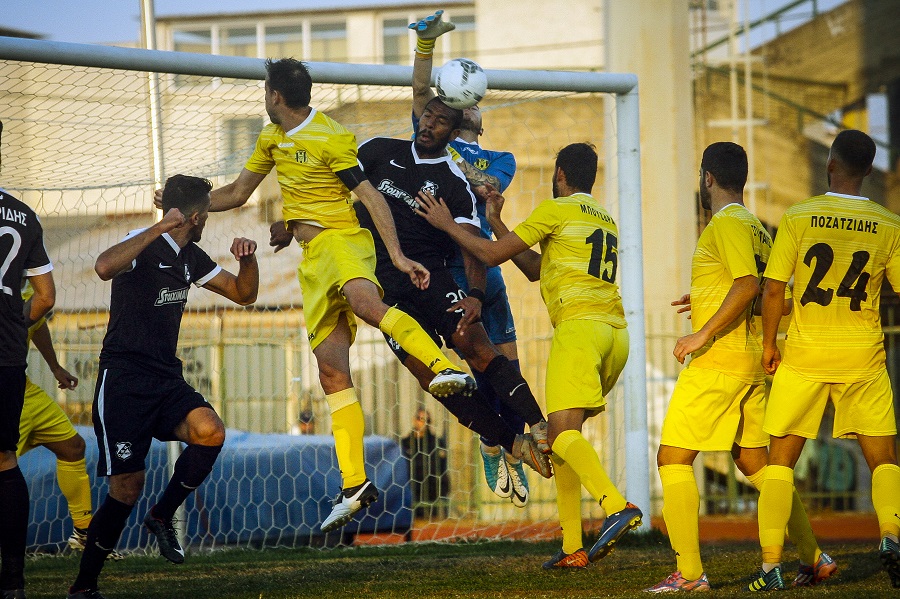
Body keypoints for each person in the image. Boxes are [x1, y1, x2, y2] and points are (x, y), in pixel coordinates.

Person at [172, 58, 476, 534]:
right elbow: (235, 193)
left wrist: (394, 255)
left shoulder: (332, 135)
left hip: (343, 241)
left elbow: (372, 198)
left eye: (265, 92)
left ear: (274, 95)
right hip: (312, 260)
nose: (264, 99)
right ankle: (354, 483)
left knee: (368, 305)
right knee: (331, 370)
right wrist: (184, 205)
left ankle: (445, 367)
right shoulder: (271, 139)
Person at [416, 142, 643, 570]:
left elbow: (486, 255)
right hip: (615, 333)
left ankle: (616, 505)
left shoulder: (556, 210)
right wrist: (496, 220)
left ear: (559, 174)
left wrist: (448, 224)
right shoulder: (603, 218)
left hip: (578, 332)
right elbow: (536, 268)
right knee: (563, 438)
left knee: (558, 436)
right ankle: (573, 545)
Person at [645, 142, 832, 593]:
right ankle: (813, 556)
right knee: (753, 460)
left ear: (707, 176)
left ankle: (689, 574)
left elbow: (748, 284)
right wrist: (709, 297)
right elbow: (763, 292)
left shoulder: (726, 221)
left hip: (719, 361)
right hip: (749, 361)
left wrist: (702, 332)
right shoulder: (757, 229)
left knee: (671, 457)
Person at [66, 175, 259, 599]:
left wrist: (248, 259)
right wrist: (157, 226)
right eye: (207, 211)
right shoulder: (144, 244)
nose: (210, 217)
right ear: (194, 216)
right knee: (126, 489)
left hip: (165, 378)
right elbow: (102, 267)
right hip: (124, 382)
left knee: (211, 431)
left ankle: (162, 514)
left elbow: (243, 294)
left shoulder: (191, 256)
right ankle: (84, 585)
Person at [348, 96, 552, 481]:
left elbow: (471, 246)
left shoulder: (454, 182)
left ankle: (538, 425)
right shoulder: (376, 150)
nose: (429, 125)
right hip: (384, 291)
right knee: (432, 379)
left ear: (453, 133)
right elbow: (334, 187)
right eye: (427, 116)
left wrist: (474, 295)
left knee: (476, 347)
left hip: (432, 279)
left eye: (441, 122)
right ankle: (512, 444)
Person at [750, 129, 900, 591]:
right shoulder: (888, 223)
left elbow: (775, 288)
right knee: (884, 459)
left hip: (807, 353)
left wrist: (770, 343)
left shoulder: (799, 215)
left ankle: (771, 565)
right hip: (863, 354)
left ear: (829, 164)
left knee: (780, 461)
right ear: (870, 171)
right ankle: (892, 536)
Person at [409, 10, 528, 508]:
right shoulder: (434, 145)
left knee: (511, 367)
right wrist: (425, 48)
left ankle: (516, 452)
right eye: (466, 104)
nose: (474, 108)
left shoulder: (501, 159)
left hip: (491, 269)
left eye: (475, 103)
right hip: (457, 271)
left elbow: (489, 186)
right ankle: (489, 441)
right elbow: (419, 96)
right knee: (482, 367)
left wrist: (481, 182)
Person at [18, 284, 123, 561]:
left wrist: (54, 366)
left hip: (24, 390)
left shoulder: (27, 285)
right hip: (6, 395)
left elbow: (36, 323)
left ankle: (85, 532)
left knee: (72, 447)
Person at [0, 118, 56, 599]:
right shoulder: (22, 214)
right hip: (6, 354)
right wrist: (13, 319)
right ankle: (13, 582)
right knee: (4, 460)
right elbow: (46, 296)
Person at [401, 408, 450, 518]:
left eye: (427, 420)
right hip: (412, 484)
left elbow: (442, 467)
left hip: (431, 486)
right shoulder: (406, 442)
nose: (423, 423)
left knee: (432, 518)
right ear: (414, 420)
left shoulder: (436, 442)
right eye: (420, 419)